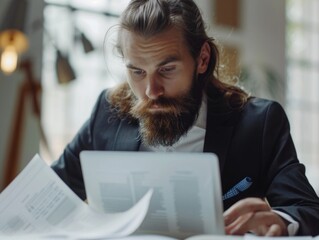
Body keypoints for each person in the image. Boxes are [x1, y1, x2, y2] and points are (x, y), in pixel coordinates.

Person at [51, 0, 319, 236]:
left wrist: (281, 222)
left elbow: (307, 209)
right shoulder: (107, 113)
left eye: (166, 69)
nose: (150, 91)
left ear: (202, 59)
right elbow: (51, 194)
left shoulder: (259, 124)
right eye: (137, 72)